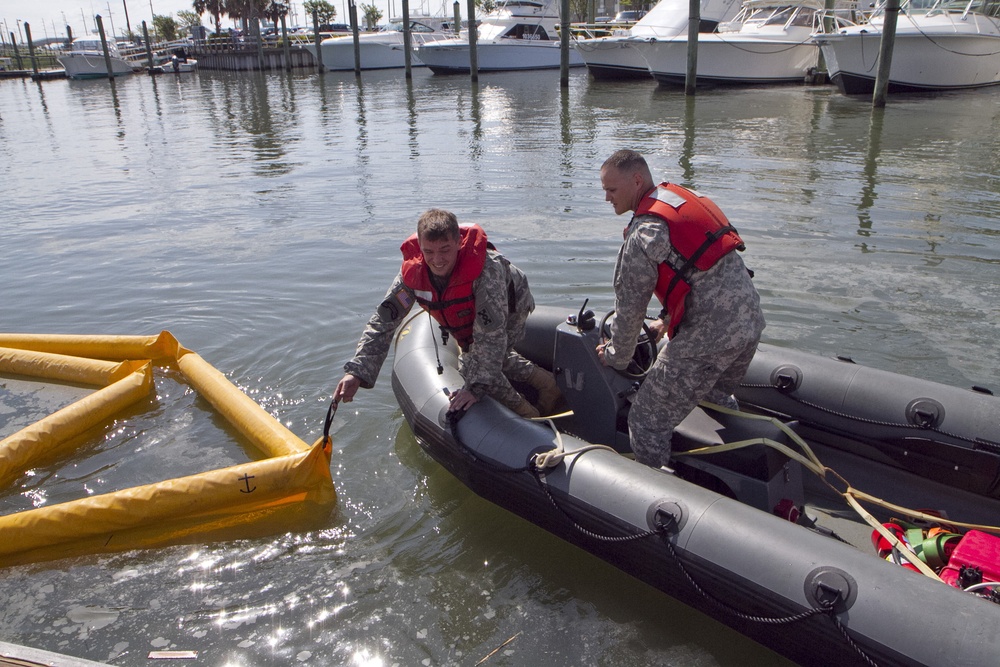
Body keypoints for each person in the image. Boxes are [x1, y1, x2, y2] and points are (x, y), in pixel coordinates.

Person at [597, 149, 766, 470]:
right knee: (716, 397)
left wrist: (615, 356)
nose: (606, 198)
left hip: (710, 339)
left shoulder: (643, 233)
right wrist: (664, 320)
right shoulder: (680, 199)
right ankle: (734, 466)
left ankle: (661, 501)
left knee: (645, 421)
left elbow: (630, 309)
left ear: (636, 181)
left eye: (612, 190)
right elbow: (698, 270)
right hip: (750, 325)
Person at [333, 208, 561, 418]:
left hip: (511, 304)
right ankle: (547, 383)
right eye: (429, 252)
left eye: (445, 250)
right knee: (478, 358)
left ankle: (529, 416)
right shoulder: (413, 275)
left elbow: (491, 337)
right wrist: (358, 372)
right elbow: (383, 323)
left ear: (459, 243)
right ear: (420, 248)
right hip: (473, 309)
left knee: (476, 366)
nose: (437, 260)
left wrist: (475, 388)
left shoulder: (486, 272)